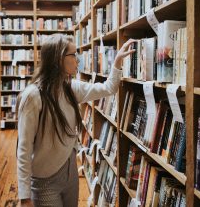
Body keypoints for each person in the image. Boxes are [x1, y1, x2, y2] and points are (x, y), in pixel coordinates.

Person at [17, 34, 136, 207]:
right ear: (59, 59)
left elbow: (108, 88)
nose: (78, 60)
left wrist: (117, 62)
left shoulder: (71, 87)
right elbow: (24, 148)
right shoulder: (33, 96)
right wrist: (24, 196)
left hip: (70, 171)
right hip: (45, 180)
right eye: (74, 55)